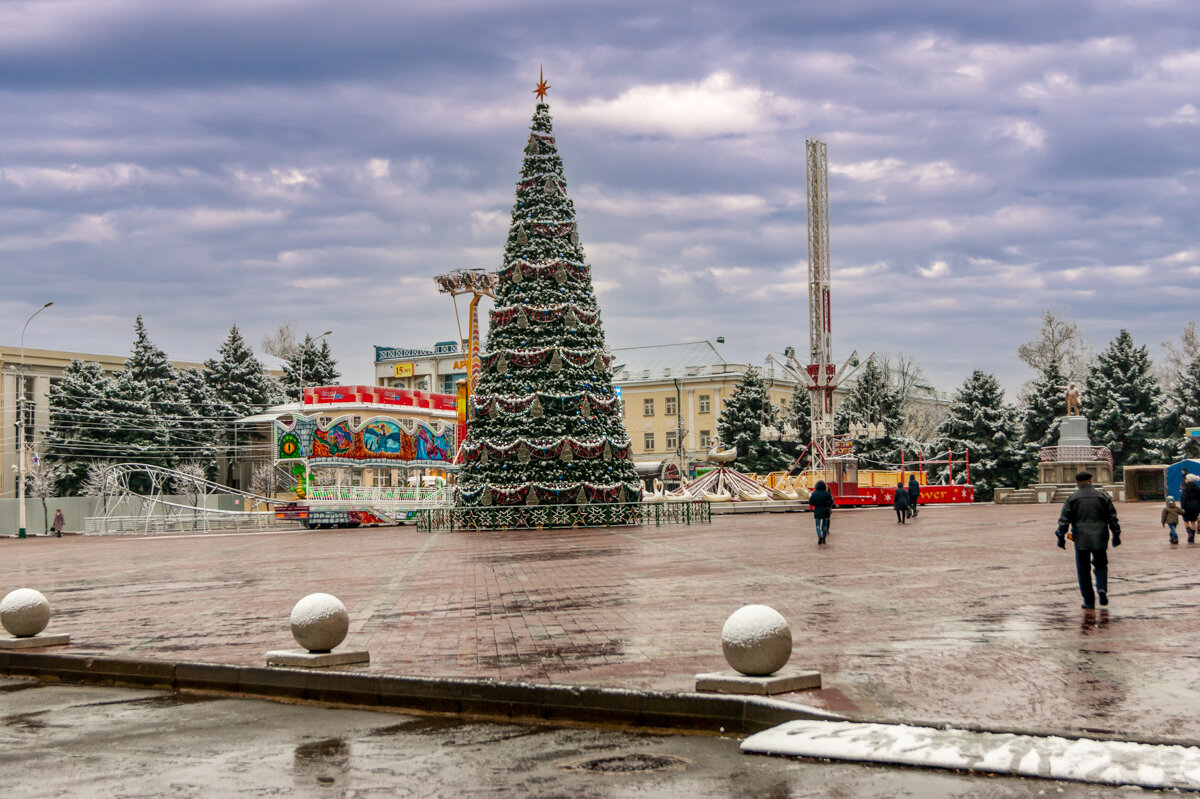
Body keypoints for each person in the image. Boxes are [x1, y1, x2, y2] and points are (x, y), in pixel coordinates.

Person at [1056, 471, 1121, 609]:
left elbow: (1064, 520)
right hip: (1100, 537)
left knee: (1083, 570)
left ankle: (1089, 600)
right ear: (1091, 481)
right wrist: (1116, 534)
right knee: (1101, 565)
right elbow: (1112, 518)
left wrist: (1061, 537)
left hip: (1081, 538)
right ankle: (1102, 589)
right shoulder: (1102, 496)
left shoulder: (1073, 498)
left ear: (1077, 483)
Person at [807, 479, 834, 545]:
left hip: (817, 510)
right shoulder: (827, 494)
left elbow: (810, 502)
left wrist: (816, 504)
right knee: (824, 525)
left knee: (818, 525)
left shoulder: (814, 494)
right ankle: (824, 538)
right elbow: (832, 502)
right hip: (826, 511)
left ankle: (819, 535)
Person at [1181, 473, 1200, 544]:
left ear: (1188, 480)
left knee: (1186, 521)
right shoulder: (1197, 488)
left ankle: (1190, 534)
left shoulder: (1184, 487)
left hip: (1186, 507)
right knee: (1193, 521)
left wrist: (1182, 508)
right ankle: (1192, 537)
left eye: (1186, 479)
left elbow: (1183, 498)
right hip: (1195, 507)